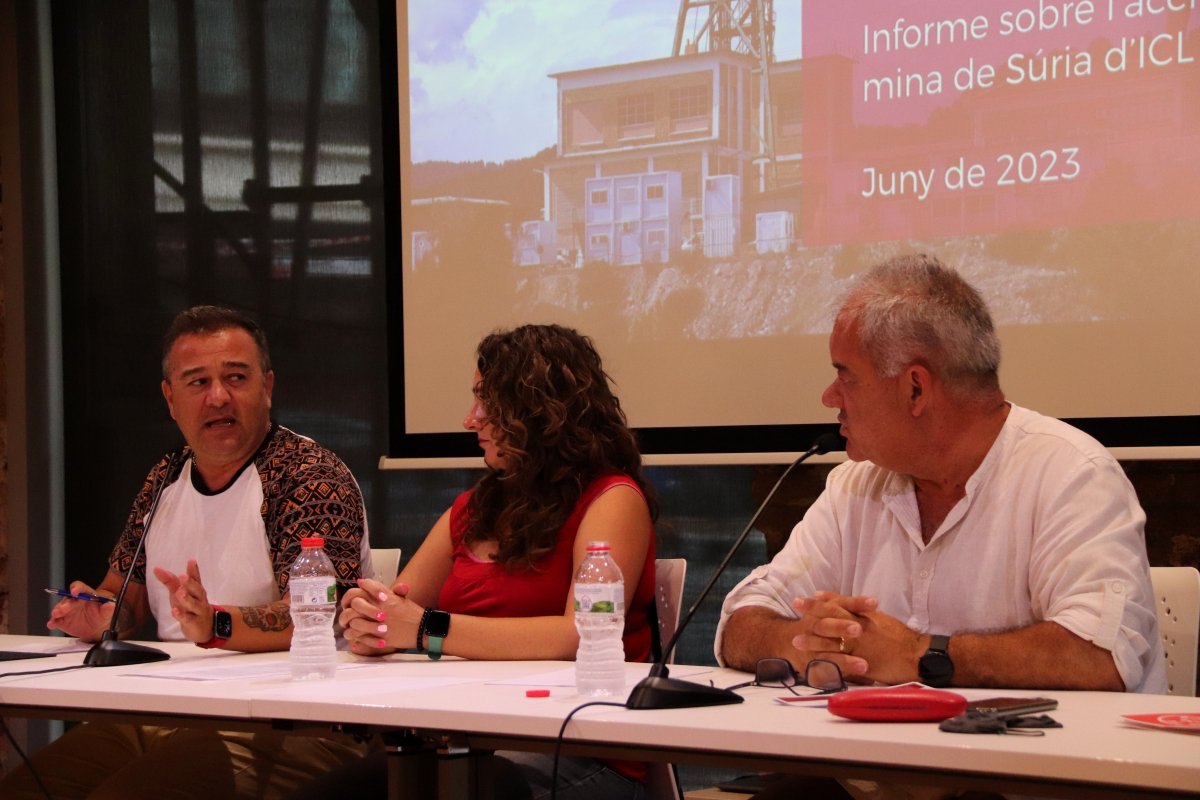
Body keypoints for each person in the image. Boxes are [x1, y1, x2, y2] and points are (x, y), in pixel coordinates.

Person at [715, 254, 1165, 800]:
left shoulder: (1071, 475)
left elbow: (1099, 657)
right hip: (875, 780)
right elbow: (739, 621)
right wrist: (803, 642)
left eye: (845, 377)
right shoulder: (857, 485)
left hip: (1029, 784)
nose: (829, 398)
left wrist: (917, 654)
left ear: (915, 390)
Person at [1, 305, 372, 799]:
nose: (218, 396)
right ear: (170, 398)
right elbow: (122, 597)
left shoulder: (308, 475)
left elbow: (315, 618)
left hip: (292, 719)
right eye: (197, 382)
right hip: (168, 707)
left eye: (236, 377)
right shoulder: (166, 477)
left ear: (267, 386)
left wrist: (215, 623)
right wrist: (98, 615)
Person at [291, 323, 657, 800]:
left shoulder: (612, 499)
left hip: (578, 748)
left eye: (487, 402)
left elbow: (577, 634)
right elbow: (397, 607)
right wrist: (372, 622)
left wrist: (424, 629)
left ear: (538, 411)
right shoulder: (473, 508)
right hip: (462, 736)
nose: (470, 420)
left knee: (471, 789)